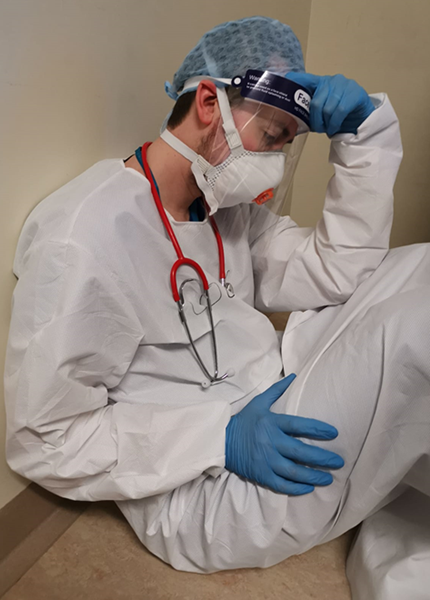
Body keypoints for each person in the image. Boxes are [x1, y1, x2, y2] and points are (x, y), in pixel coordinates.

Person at [4, 16, 430, 599]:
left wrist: (364, 136)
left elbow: (334, 269)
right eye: (275, 136)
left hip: (270, 396)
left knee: (422, 266)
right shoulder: (86, 238)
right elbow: (43, 437)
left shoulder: (223, 211)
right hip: (212, 483)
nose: (278, 159)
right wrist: (219, 435)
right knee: (417, 328)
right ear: (210, 102)